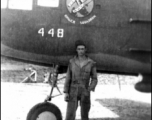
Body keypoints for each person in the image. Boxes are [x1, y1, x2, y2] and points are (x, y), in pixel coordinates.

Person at [63, 40, 98, 120]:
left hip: (84, 91)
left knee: (84, 115)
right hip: (73, 90)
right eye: (79, 49)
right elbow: (68, 77)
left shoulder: (91, 63)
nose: (81, 51)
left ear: (85, 50)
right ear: (76, 50)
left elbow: (94, 78)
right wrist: (66, 92)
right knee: (70, 115)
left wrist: (89, 89)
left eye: (82, 49)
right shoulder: (72, 62)